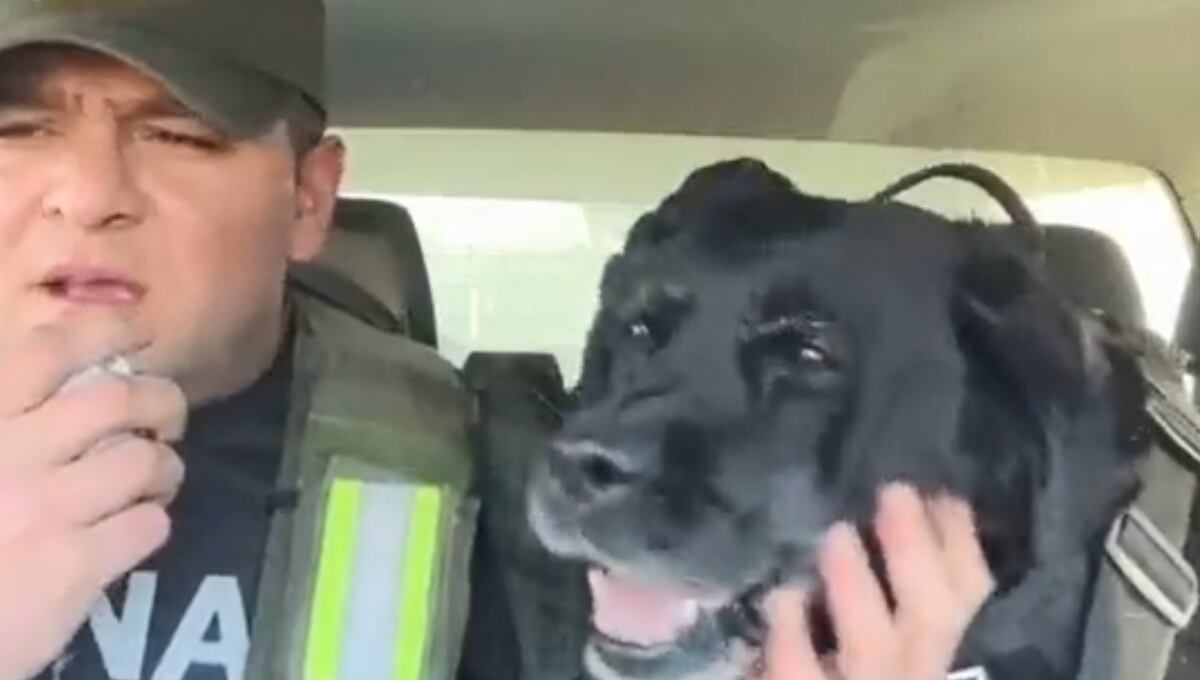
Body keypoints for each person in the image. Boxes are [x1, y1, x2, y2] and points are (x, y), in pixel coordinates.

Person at [0, 1, 992, 679]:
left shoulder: (533, 511)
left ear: (310, 197)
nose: (87, 194)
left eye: (179, 135)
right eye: (15, 129)